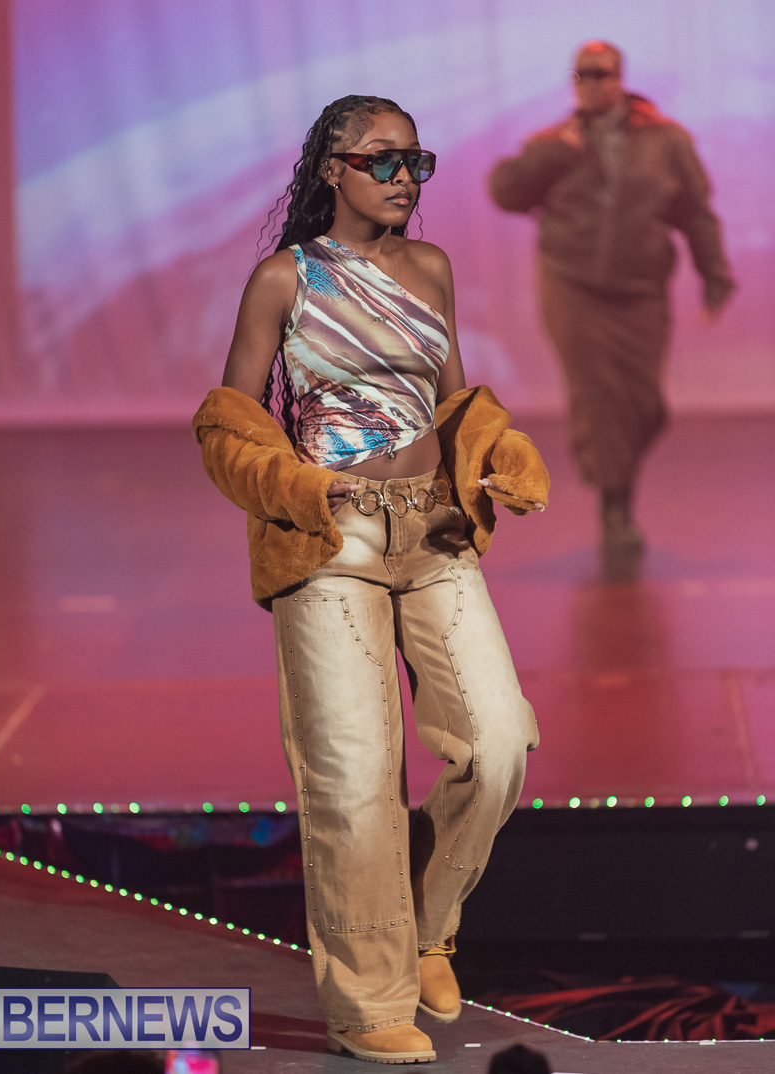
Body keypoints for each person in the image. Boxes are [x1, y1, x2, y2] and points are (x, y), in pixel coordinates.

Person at [193, 94, 550, 1064]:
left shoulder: (430, 268)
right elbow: (229, 424)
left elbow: (457, 402)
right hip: (331, 540)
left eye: (415, 163)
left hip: (434, 532)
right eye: (382, 161)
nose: (403, 179)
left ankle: (429, 920)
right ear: (332, 169)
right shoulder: (284, 278)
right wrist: (295, 486)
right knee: (352, 782)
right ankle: (367, 1004)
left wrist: (496, 450)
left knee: (499, 745)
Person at [489, 41, 734, 549]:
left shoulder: (666, 139)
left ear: (620, 78)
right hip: (571, 285)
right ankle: (615, 506)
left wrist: (715, 276)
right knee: (598, 395)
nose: (592, 83)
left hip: (641, 288)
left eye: (601, 74)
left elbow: (695, 212)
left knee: (643, 403)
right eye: (582, 74)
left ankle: (617, 482)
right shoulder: (555, 140)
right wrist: (557, 154)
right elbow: (506, 192)